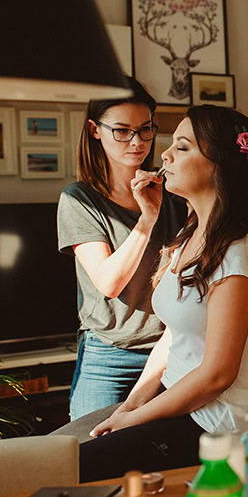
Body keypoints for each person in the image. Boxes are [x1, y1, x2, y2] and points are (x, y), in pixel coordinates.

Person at [77, 105, 248, 482]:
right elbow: (172, 338)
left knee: (73, 472)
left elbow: (217, 375)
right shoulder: (192, 234)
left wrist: (135, 419)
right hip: (177, 403)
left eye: (182, 147)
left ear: (219, 166)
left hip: (212, 425)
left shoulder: (239, 251)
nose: (164, 155)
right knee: (64, 462)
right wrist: (130, 406)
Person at [57, 78, 187, 421]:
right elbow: (109, 283)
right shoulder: (80, 199)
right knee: (89, 446)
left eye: (145, 129)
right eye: (122, 131)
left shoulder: (175, 192)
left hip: (171, 348)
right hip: (108, 355)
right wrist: (148, 218)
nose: (137, 141)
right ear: (94, 130)